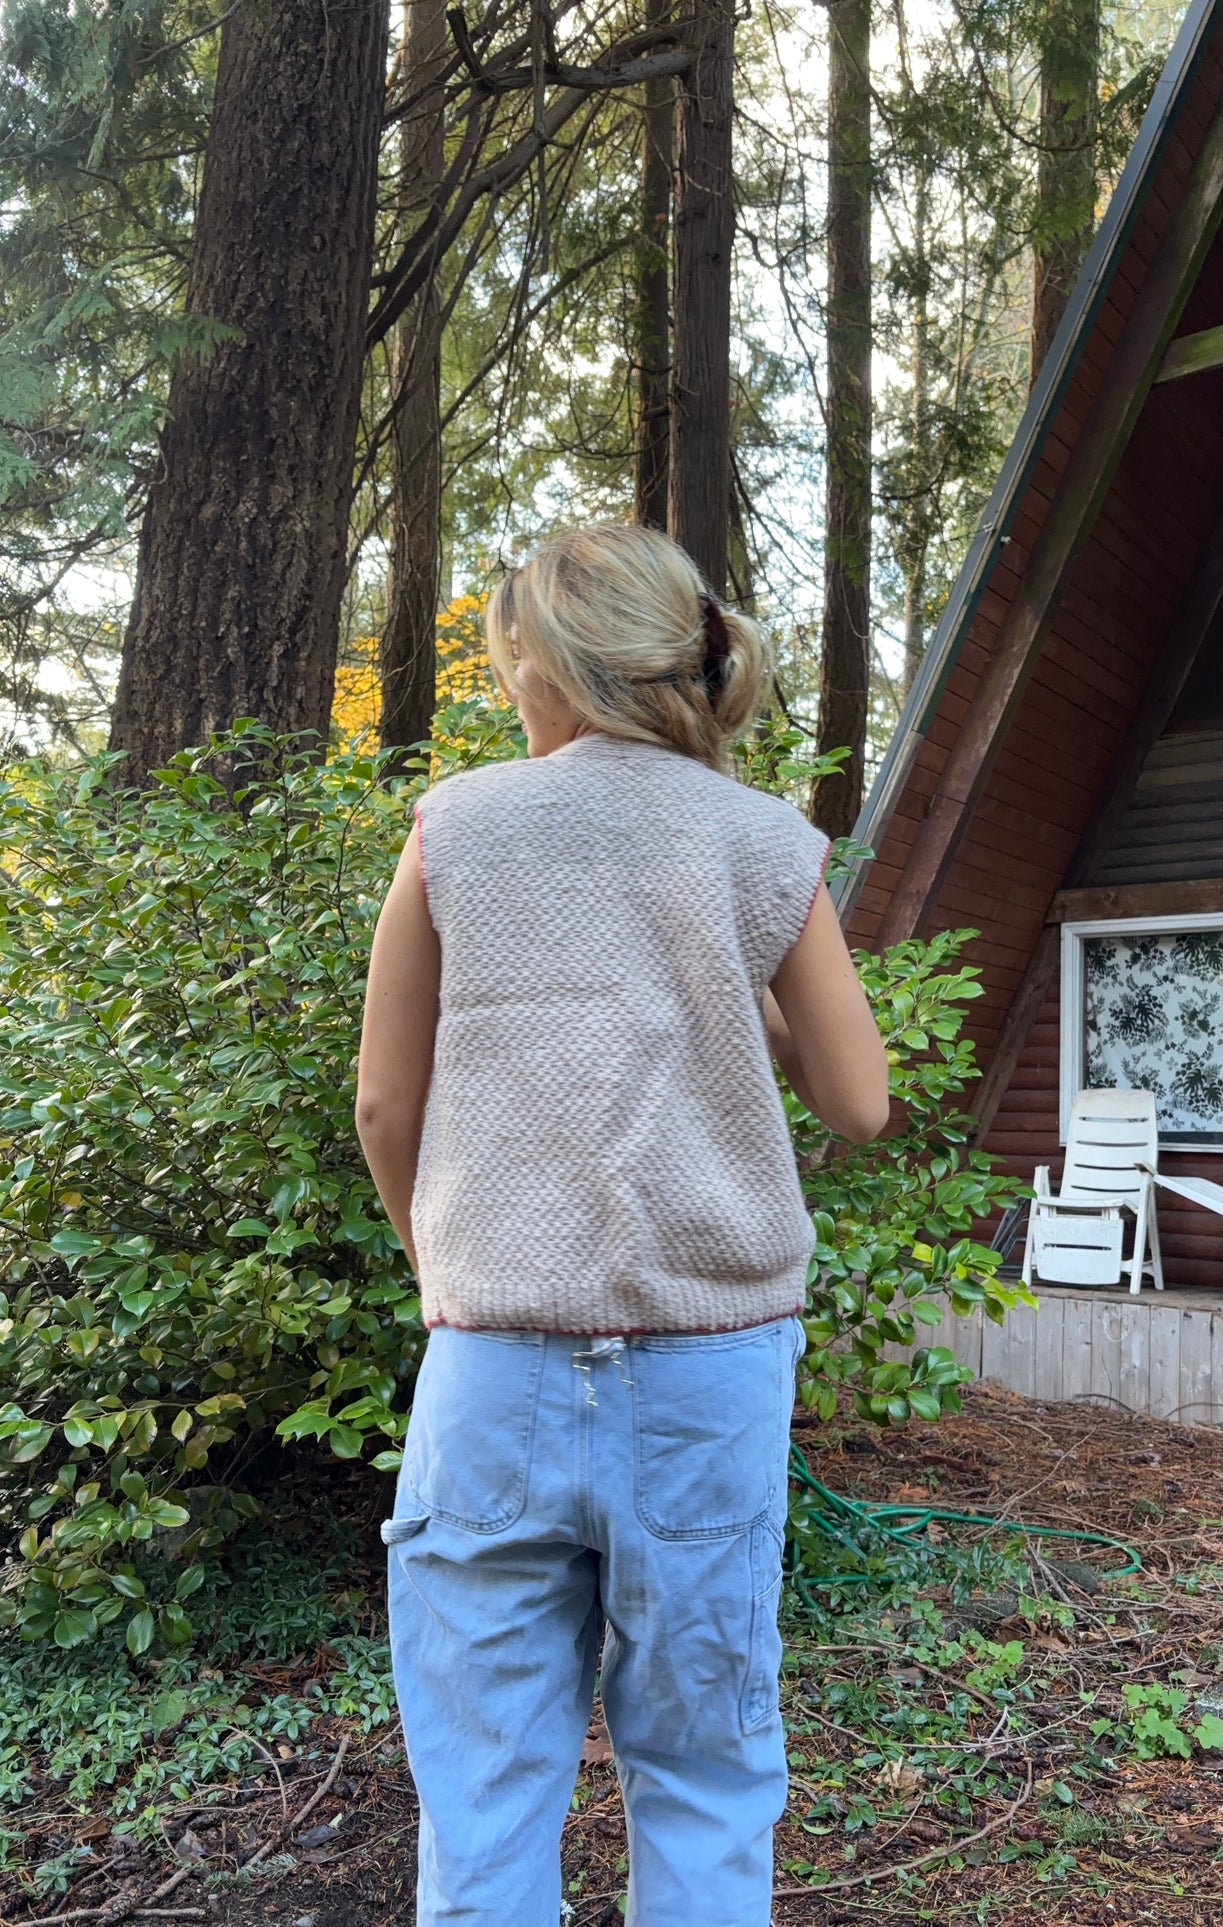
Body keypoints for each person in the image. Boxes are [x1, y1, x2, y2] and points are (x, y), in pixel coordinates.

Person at [354, 522, 890, 1926]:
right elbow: (859, 1100)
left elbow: (380, 1112)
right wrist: (732, 996)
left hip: (492, 1360)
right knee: (706, 1773)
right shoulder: (764, 843)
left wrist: (440, 1274)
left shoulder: (453, 826)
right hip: (709, 1369)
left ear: (539, 667)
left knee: (481, 1795)